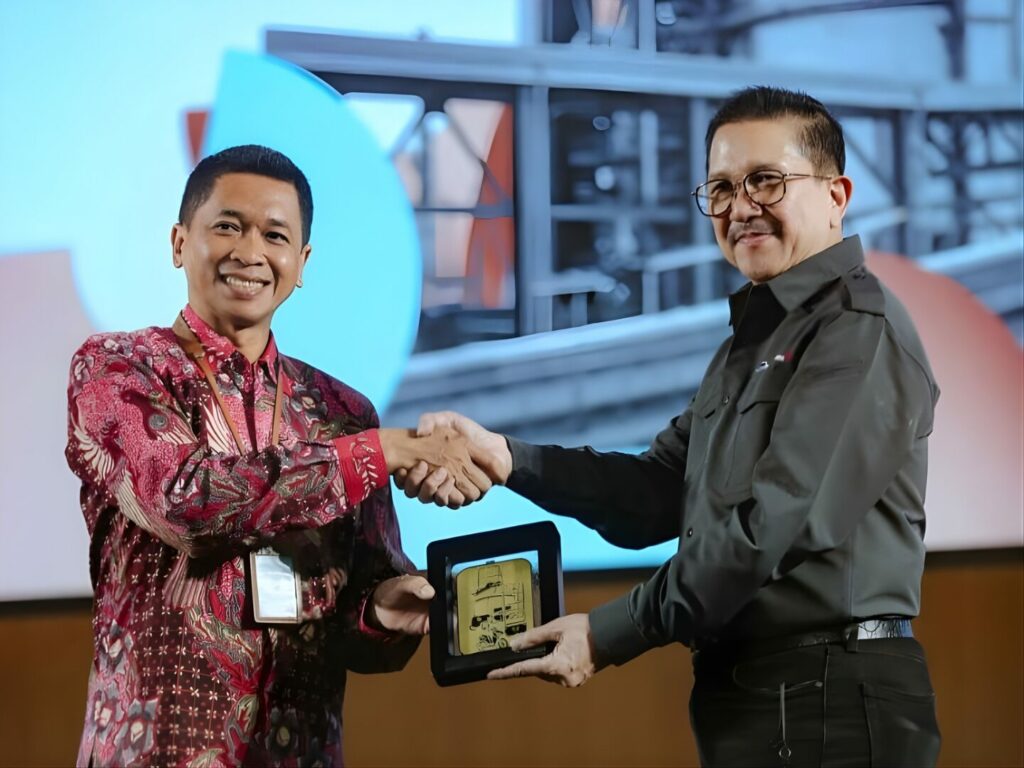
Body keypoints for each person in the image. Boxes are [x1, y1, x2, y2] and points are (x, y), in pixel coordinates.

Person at [399, 87, 942, 766]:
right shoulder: (750, 344)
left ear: (837, 195)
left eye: (766, 181)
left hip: (828, 697)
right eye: (722, 188)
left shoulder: (855, 330)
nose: (740, 207)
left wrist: (608, 633)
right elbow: (656, 493)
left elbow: (770, 530)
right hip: (765, 696)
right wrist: (509, 459)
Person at [65, 145, 495, 766]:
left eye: (274, 235)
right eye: (227, 226)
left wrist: (383, 612)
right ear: (179, 243)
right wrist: (383, 451)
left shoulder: (342, 411)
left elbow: (360, 623)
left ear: (302, 263)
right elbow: (185, 503)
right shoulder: (118, 368)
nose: (250, 252)